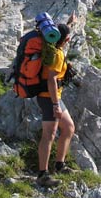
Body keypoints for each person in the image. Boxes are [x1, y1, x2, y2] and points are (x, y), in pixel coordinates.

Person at [36, 13, 77, 188]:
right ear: (66, 40)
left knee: (68, 128)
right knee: (49, 135)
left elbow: (63, 33)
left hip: (55, 97)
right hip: (48, 98)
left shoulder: (51, 44)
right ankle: (42, 175)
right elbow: (51, 79)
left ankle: (60, 165)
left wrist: (70, 24)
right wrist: (54, 105)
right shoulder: (58, 55)